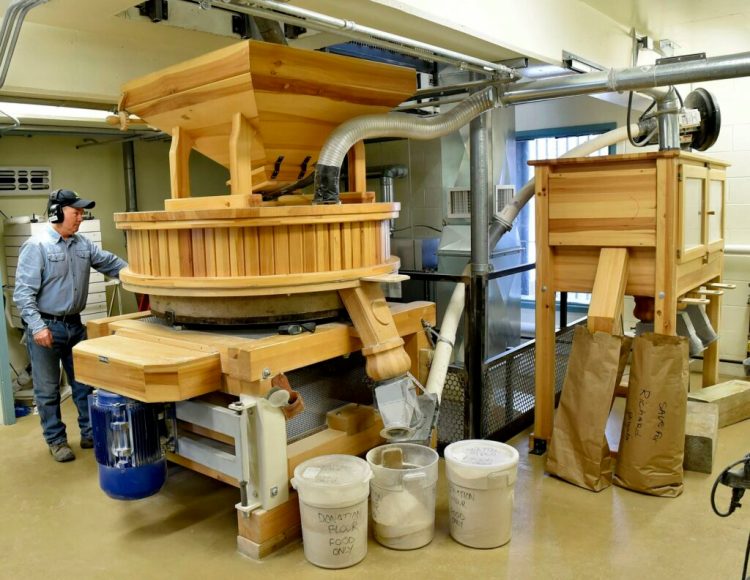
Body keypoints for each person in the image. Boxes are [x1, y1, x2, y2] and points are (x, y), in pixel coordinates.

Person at [13, 189, 127, 462]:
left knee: (84, 384)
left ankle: (90, 433)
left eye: (81, 212)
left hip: (75, 325)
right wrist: (38, 327)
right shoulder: (37, 246)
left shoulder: (83, 245)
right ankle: (56, 440)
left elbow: (111, 263)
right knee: (48, 390)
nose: (80, 217)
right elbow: (23, 294)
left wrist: (140, 275)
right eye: (76, 212)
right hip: (46, 327)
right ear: (57, 212)